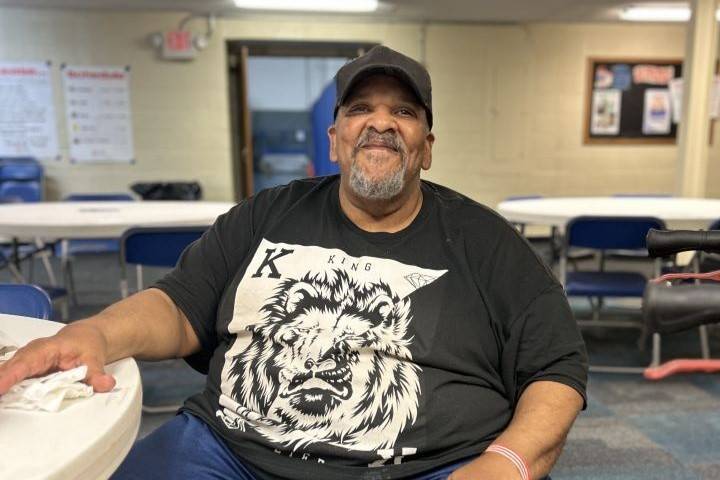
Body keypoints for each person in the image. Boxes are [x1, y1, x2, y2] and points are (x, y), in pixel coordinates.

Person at [0, 45, 587, 480]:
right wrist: (95, 333)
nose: (381, 122)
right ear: (335, 139)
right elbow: (180, 304)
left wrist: (507, 461)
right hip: (230, 452)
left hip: (428, 467)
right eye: (361, 108)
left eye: (404, 112)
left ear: (427, 146)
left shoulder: (486, 241)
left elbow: (557, 367)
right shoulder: (266, 215)